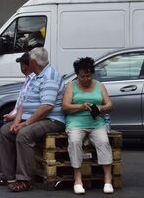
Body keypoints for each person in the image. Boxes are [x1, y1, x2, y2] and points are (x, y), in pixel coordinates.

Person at [0, 47, 66, 192]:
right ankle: (6, 175)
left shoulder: (50, 77)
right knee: (5, 131)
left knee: (24, 134)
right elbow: (24, 102)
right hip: (35, 118)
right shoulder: (36, 76)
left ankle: (24, 179)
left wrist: (25, 124)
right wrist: (16, 122)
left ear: (34, 61)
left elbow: (47, 107)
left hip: (52, 120)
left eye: (29, 58)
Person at [62, 57, 114, 195]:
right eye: (82, 76)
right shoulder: (71, 85)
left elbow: (110, 104)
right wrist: (81, 106)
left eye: (88, 76)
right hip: (76, 122)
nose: (85, 79)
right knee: (74, 141)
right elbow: (66, 106)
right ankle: (77, 179)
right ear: (77, 75)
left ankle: (108, 179)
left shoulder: (99, 85)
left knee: (104, 142)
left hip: (96, 122)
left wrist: (102, 108)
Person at [0, 52, 35, 137]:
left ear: (24, 66)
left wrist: (13, 118)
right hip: (19, 116)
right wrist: (11, 115)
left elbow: (26, 104)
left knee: (1, 129)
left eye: (21, 64)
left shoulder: (34, 80)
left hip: (25, 117)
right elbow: (19, 104)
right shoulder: (28, 79)